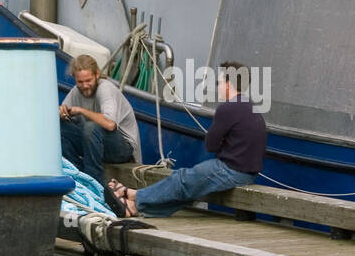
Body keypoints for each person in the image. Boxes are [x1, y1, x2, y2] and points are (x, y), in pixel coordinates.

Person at [108, 61, 267, 218]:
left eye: (218, 82)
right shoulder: (250, 106)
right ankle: (135, 208)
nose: (217, 86)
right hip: (247, 173)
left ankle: (134, 197)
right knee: (189, 189)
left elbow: (211, 145)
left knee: (182, 179)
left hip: (231, 171)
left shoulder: (228, 107)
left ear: (228, 84)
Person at [59, 55, 141, 185]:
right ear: (74, 78)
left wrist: (81, 110)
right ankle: (77, 177)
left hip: (124, 149)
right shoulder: (76, 91)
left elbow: (110, 124)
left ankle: (94, 183)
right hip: (96, 143)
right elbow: (64, 119)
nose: (85, 85)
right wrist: (61, 113)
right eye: (80, 82)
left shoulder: (105, 88)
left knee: (91, 127)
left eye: (88, 80)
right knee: (58, 128)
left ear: (97, 74)